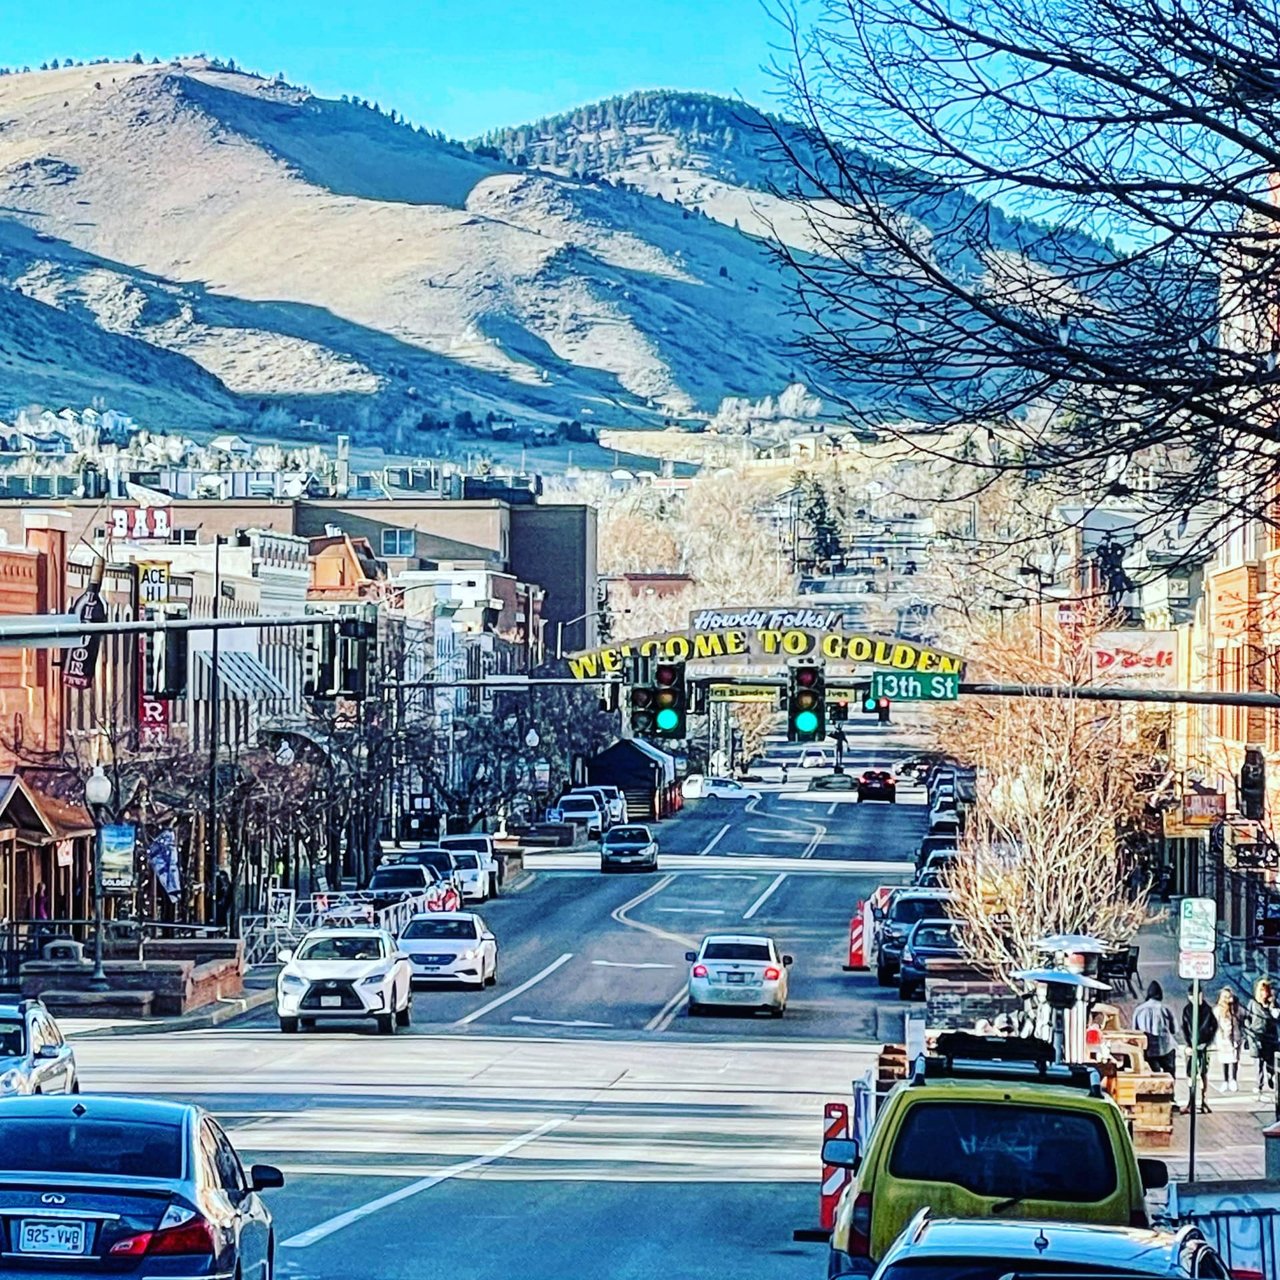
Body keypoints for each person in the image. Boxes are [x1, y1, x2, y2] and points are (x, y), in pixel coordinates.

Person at [1181, 992, 1218, 1114]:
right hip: (1191, 1047)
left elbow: (1214, 1026)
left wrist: (1208, 1042)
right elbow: (1184, 1028)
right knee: (1190, 1074)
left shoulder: (1207, 1010)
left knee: (1203, 1073)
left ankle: (1203, 1101)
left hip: (1203, 1047)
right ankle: (1191, 1102)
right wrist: (1187, 1045)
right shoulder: (1187, 1010)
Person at [1133, 981, 1178, 1077]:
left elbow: (1135, 1032)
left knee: (1153, 1076)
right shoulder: (1166, 1009)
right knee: (1169, 1076)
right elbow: (1174, 1030)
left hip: (1148, 1049)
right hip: (1166, 1048)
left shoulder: (1139, 1010)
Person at [1247, 978, 1280, 1096]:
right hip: (1256, 1036)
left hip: (1270, 1037)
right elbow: (1247, 1017)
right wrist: (1249, 1031)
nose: (1264, 993)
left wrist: (1273, 1004)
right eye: (1261, 990)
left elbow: (1276, 1017)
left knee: (1270, 1062)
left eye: (1266, 991)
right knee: (1258, 1063)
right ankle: (1259, 1084)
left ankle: (1271, 1077)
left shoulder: (1273, 1003)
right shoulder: (1253, 1004)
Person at [1214, 987, 1246, 1093]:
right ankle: (1225, 1080)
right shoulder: (1217, 1010)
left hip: (1235, 1037)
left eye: (1229, 996)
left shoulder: (1237, 1009)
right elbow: (1214, 1023)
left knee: (1234, 1059)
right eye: (1225, 997)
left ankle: (1234, 1079)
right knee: (1224, 1060)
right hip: (1223, 1038)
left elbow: (1244, 1017)